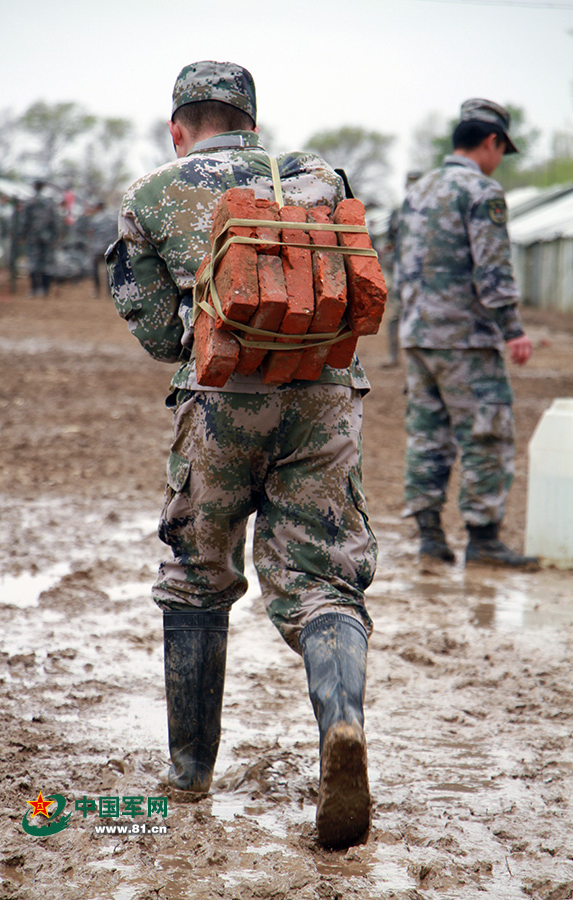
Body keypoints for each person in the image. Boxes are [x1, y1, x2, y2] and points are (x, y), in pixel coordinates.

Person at [107, 60, 378, 849]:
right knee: (324, 577)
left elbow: (163, 335)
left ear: (179, 125)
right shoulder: (319, 175)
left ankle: (189, 777)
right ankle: (342, 727)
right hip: (327, 393)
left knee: (196, 577)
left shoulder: (150, 194)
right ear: (252, 120)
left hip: (222, 397)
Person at [395, 98, 538, 569]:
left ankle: (430, 539)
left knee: (427, 437)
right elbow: (493, 270)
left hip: (417, 336)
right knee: (486, 437)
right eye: (502, 150)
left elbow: (399, 262)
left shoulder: (418, 190)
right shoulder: (482, 191)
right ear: (492, 142)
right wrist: (512, 329)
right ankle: (483, 539)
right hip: (466, 340)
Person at [380, 170, 421, 368]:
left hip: (426, 275)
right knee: (396, 315)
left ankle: (421, 359)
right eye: (410, 182)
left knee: (424, 315)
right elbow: (389, 240)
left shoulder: (432, 210)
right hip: (402, 272)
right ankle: (393, 356)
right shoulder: (398, 211)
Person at [22, 180, 59, 297]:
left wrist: (22, 235)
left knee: (33, 262)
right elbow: (55, 221)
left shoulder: (29, 202)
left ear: (34, 187)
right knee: (46, 262)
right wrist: (55, 237)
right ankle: (45, 289)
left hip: (33, 237)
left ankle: (33, 289)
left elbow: (25, 221)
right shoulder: (49, 202)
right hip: (47, 237)